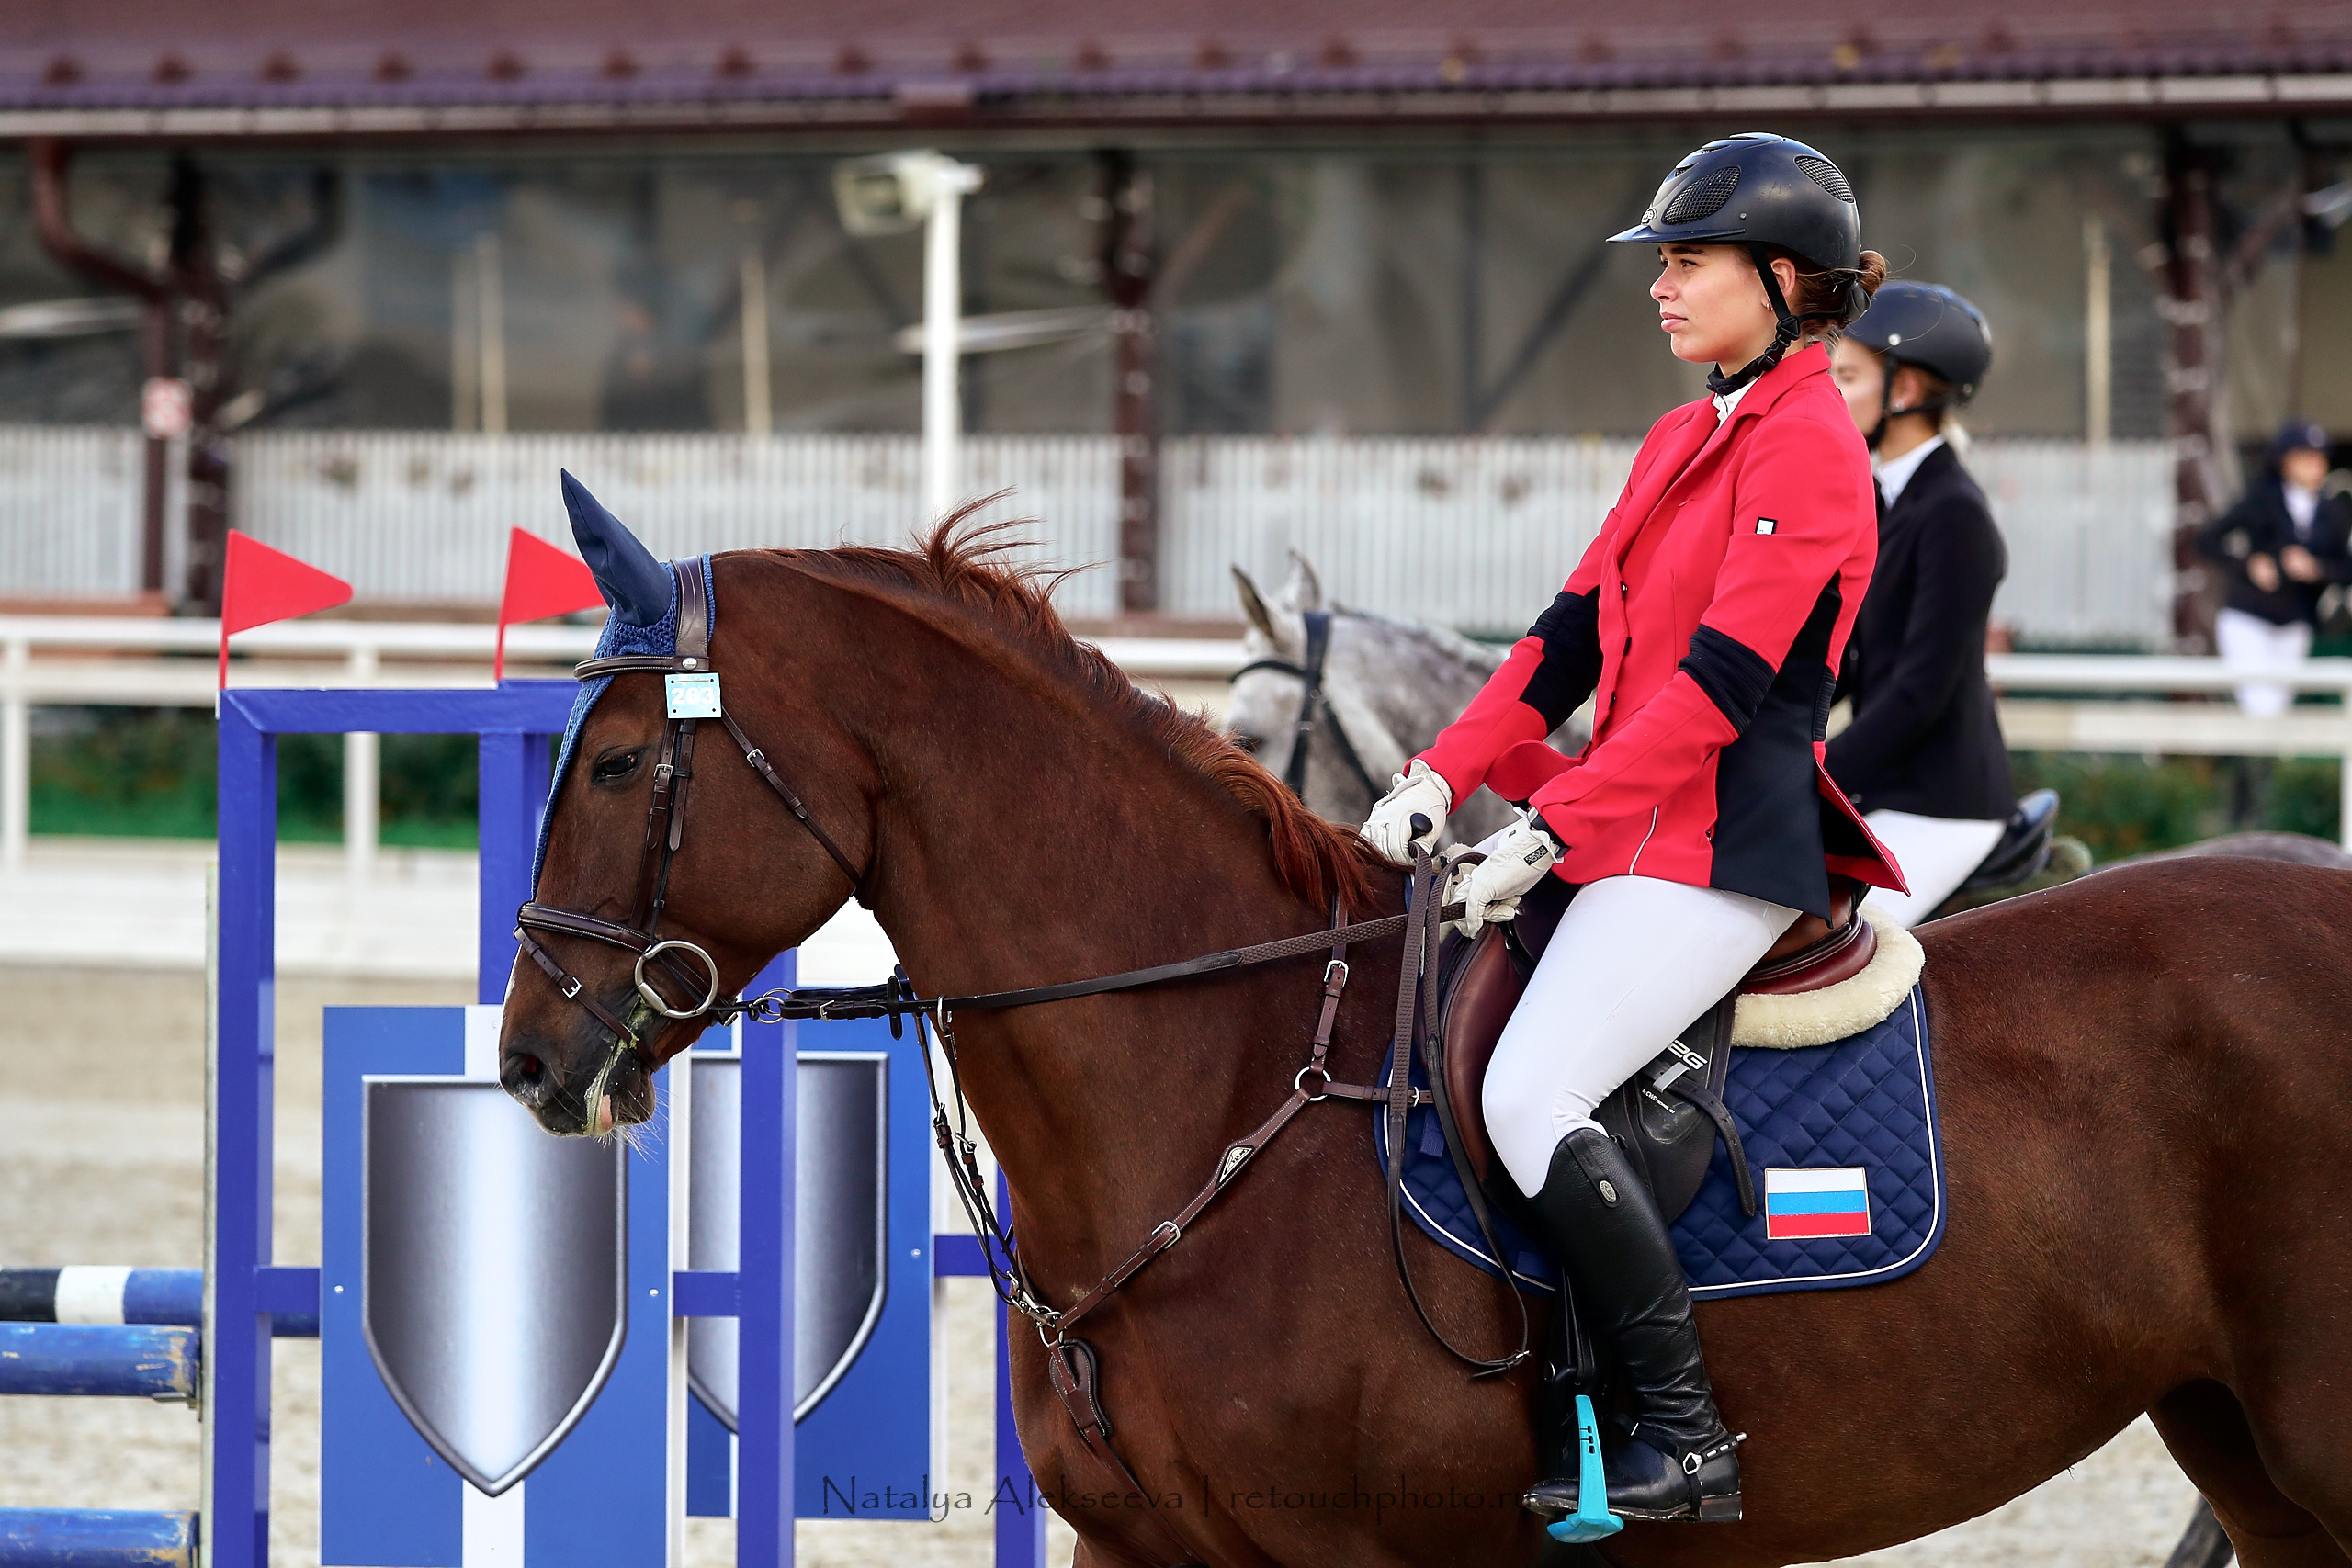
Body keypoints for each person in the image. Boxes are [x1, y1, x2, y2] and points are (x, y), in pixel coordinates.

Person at [1359, 132, 1901, 1529]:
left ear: (1784, 280)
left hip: (1728, 847)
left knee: (1531, 1090)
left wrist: (1546, 821)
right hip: (1632, 831)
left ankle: (1683, 1429)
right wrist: (1440, 766)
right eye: (1658, 264)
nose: (1661, 287)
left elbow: (1720, 689)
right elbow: (1568, 641)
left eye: (1688, 263)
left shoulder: (1814, 447)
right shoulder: (1684, 433)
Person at [1822, 283, 2015, 927]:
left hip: (1941, 804)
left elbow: (1921, 689)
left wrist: (1815, 766)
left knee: (1836, 940)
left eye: (1847, 376)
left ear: (1904, 393)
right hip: (1881, 786)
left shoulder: (1953, 513)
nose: (1831, 392)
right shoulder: (1880, 499)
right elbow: (1847, 656)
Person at [2195, 422, 2352, 716]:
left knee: (2277, 706)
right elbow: (2208, 540)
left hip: (2295, 620)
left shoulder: (2334, 511)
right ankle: (2249, 762)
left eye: (2319, 458)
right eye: (2305, 457)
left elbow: (2345, 569)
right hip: (2250, 613)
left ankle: (2258, 762)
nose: (2314, 466)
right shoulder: (2261, 498)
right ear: (2285, 461)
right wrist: (2250, 564)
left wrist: (2316, 569)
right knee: (2259, 703)